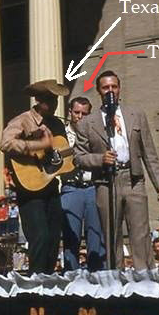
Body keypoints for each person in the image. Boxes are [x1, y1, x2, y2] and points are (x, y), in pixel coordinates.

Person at [74, 70, 159, 270]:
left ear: (119, 88)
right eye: (105, 87)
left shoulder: (136, 115)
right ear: (99, 91)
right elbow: (79, 157)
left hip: (133, 179)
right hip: (106, 183)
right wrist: (100, 159)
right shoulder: (87, 123)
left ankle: (145, 278)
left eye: (114, 87)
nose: (110, 91)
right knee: (112, 234)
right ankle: (116, 279)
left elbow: (148, 151)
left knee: (140, 232)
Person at [0, 79, 69, 274]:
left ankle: (47, 279)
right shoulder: (23, 120)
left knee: (54, 237)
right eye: (49, 99)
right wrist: (38, 146)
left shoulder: (57, 123)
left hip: (50, 186)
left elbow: (62, 154)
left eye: (55, 99)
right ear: (38, 100)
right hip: (29, 190)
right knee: (40, 236)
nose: (54, 104)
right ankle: (36, 284)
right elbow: (6, 143)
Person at [59, 96, 105, 272]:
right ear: (69, 112)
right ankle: (71, 276)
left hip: (93, 186)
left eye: (84, 114)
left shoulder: (95, 132)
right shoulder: (61, 135)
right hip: (70, 187)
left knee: (95, 235)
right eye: (76, 112)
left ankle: (97, 276)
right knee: (71, 237)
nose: (80, 117)